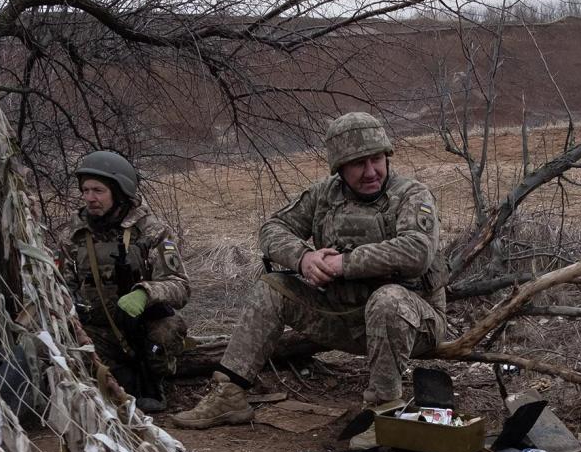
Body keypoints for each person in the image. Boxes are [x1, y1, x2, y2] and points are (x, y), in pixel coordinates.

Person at [171, 112, 447, 429]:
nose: (371, 171)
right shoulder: (324, 196)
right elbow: (272, 229)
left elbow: (416, 252)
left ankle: (382, 414)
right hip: (342, 317)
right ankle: (229, 394)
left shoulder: (412, 195)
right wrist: (304, 259)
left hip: (413, 323)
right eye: (359, 163)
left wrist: (344, 263)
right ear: (340, 168)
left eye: (376, 159)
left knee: (388, 300)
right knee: (273, 287)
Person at [65, 150, 190, 413]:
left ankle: (155, 379)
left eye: (98, 191)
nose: (90, 198)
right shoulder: (74, 235)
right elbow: (62, 284)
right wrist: (72, 303)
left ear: (119, 192)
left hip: (143, 328)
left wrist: (145, 293)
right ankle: (121, 381)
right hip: (98, 330)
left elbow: (180, 285)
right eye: (85, 190)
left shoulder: (151, 231)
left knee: (167, 329)